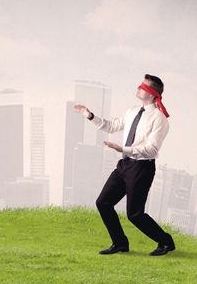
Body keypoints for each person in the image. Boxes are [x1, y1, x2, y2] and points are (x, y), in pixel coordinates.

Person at [74, 74, 175, 256]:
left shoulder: (159, 119)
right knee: (103, 202)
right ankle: (120, 243)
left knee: (135, 214)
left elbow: (152, 150)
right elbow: (111, 126)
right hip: (125, 165)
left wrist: (123, 148)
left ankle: (166, 242)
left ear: (152, 94)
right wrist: (90, 116)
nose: (138, 88)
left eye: (143, 86)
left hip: (142, 168)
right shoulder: (132, 111)